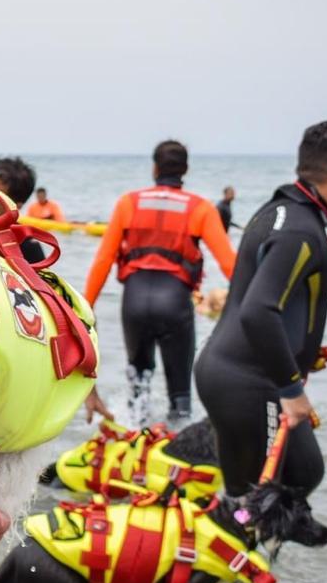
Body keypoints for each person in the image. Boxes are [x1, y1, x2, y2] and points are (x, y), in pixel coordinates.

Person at [195, 122, 327, 496]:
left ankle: (224, 547)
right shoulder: (300, 231)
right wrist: (292, 390)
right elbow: (259, 310)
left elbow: (273, 300)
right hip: (249, 382)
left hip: (229, 373)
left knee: (258, 494)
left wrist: (300, 351)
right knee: (287, 484)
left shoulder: (279, 210)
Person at [85, 140, 236, 421]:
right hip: (175, 304)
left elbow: (103, 260)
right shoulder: (201, 208)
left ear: (155, 168)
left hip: (134, 303)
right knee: (179, 394)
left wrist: (85, 307)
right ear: (185, 169)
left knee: (138, 385)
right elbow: (230, 265)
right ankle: (176, 452)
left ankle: (133, 440)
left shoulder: (128, 202)